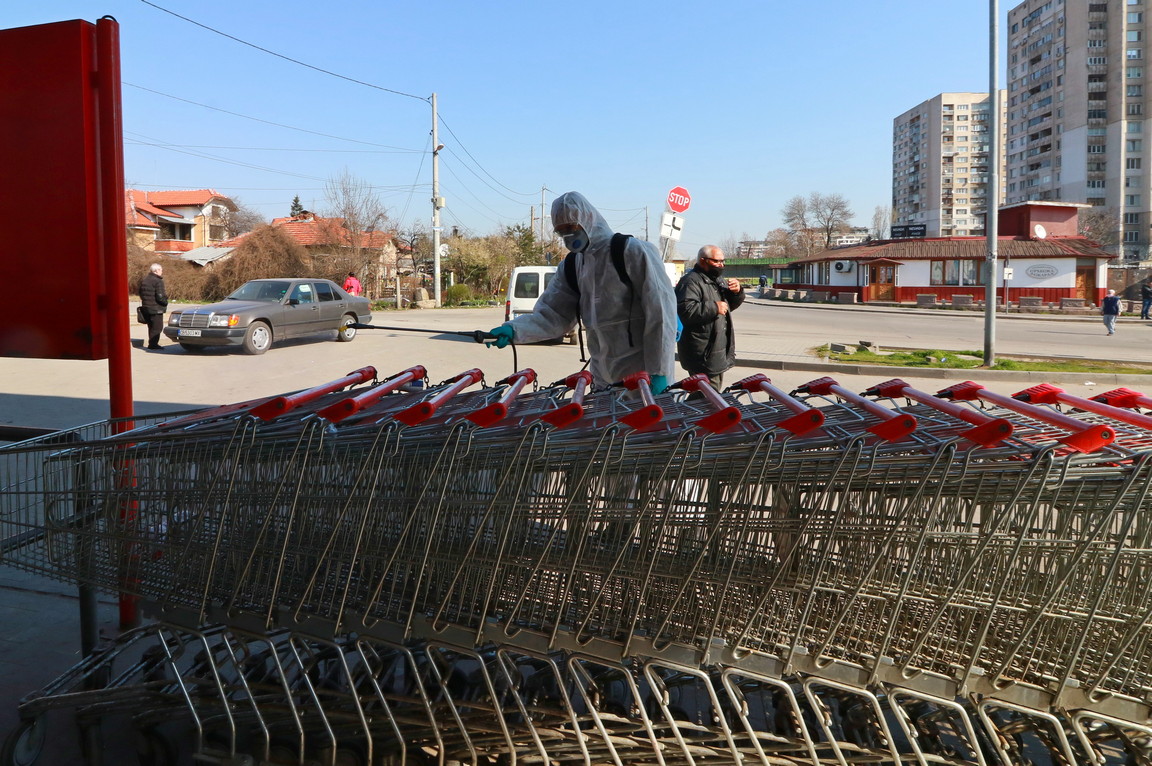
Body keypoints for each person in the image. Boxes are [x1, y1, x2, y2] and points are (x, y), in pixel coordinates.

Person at [483, 191, 677, 393]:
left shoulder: (632, 252)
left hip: (644, 378)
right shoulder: (572, 266)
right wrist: (514, 330)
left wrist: (659, 372)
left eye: (571, 227)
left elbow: (661, 312)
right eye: (561, 231)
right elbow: (553, 316)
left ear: (589, 219)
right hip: (603, 380)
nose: (567, 236)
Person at [675, 245, 745, 392]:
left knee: (709, 392)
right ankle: (687, 414)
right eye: (717, 261)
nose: (721, 265)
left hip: (716, 348)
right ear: (703, 261)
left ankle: (692, 413)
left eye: (723, 261)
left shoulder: (717, 280)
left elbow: (728, 307)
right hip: (702, 352)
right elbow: (684, 311)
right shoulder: (690, 281)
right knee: (707, 394)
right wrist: (714, 307)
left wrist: (737, 292)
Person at [139, 263, 168, 350]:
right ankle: (153, 344)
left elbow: (140, 292)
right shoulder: (158, 281)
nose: (162, 271)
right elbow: (160, 296)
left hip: (146, 307)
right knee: (157, 327)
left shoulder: (145, 280)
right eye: (161, 270)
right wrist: (165, 302)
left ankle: (152, 343)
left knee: (151, 326)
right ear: (156, 271)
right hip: (156, 308)